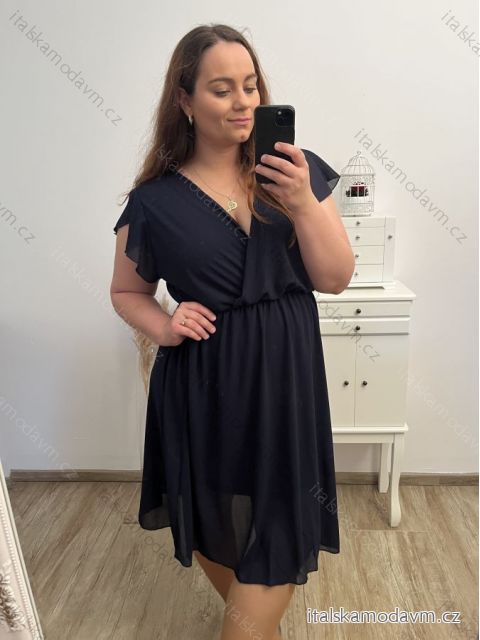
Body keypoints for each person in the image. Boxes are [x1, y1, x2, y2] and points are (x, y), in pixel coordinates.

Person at [110, 23, 355, 640]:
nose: (243, 101)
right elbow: (127, 291)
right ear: (185, 101)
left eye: (250, 86)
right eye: (222, 89)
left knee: (271, 543)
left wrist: (302, 202)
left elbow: (335, 277)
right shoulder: (153, 203)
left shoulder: (297, 171)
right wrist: (165, 326)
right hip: (204, 389)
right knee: (217, 520)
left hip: (286, 383)